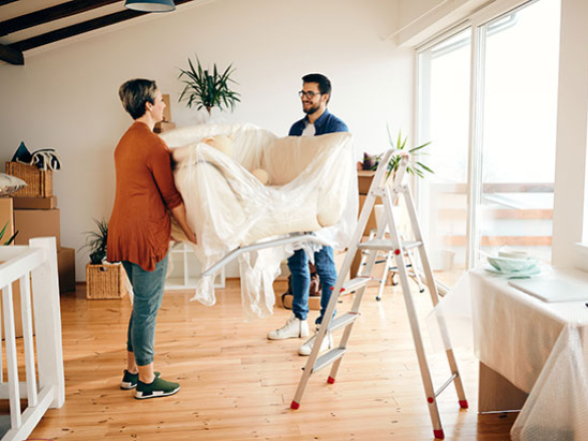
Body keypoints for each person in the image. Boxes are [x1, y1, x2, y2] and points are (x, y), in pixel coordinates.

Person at [107, 78, 197, 399]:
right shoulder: (152, 144)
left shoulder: (126, 141)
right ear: (148, 105)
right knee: (147, 308)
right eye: (160, 101)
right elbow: (171, 198)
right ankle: (147, 381)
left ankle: (132, 372)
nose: (163, 106)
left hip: (122, 231)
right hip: (146, 236)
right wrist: (192, 234)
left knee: (139, 305)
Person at [268, 73, 349, 356]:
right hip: (296, 204)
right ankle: (299, 320)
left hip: (321, 208)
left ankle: (324, 330)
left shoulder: (337, 128)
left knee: (325, 266)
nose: (305, 97)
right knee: (297, 262)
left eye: (310, 93)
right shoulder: (296, 128)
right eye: (302, 92)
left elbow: (334, 173)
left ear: (325, 96)